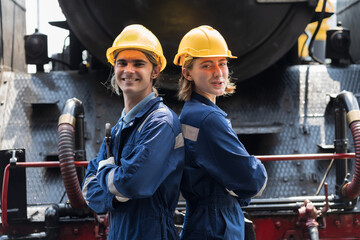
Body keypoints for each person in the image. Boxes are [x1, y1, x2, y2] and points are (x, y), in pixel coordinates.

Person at [82, 24, 184, 239]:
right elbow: (89, 192)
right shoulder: (120, 127)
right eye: (122, 63)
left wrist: (108, 176)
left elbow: (133, 183)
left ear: (155, 71)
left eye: (138, 64)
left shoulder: (160, 123)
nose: (128, 70)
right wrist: (116, 190)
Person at [173, 25, 267, 239]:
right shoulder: (208, 119)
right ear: (187, 73)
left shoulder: (190, 113)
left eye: (222, 63)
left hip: (200, 221)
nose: (218, 72)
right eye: (206, 65)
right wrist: (255, 169)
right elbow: (251, 178)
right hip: (218, 225)